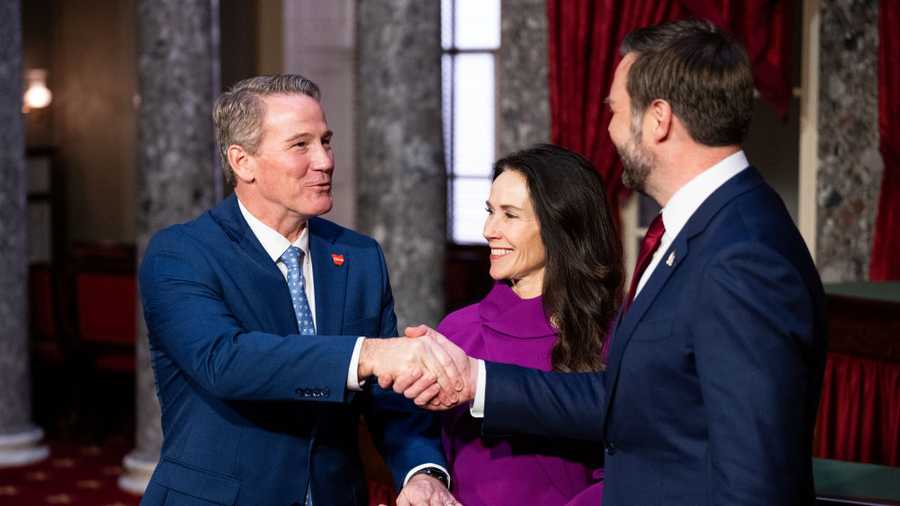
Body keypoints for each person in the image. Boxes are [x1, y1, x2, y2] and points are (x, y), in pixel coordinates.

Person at [400, 19, 828, 505]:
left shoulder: (743, 255)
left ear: (658, 119)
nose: (609, 129)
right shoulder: (702, 229)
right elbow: (627, 402)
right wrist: (476, 381)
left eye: (616, 111)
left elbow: (755, 479)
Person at [138, 74, 461, 506]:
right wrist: (366, 354)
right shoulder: (181, 253)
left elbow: (389, 400)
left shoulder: (359, 257)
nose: (325, 161)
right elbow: (225, 360)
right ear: (242, 161)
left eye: (325, 142)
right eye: (300, 145)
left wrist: (421, 473)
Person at [437, 144, 621, 505]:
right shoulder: (458, 332)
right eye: (490, 212)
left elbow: (629, 469)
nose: (489, 230)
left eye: (510, 215)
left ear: (560, 225)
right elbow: (427, 448)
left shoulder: (614, 337)